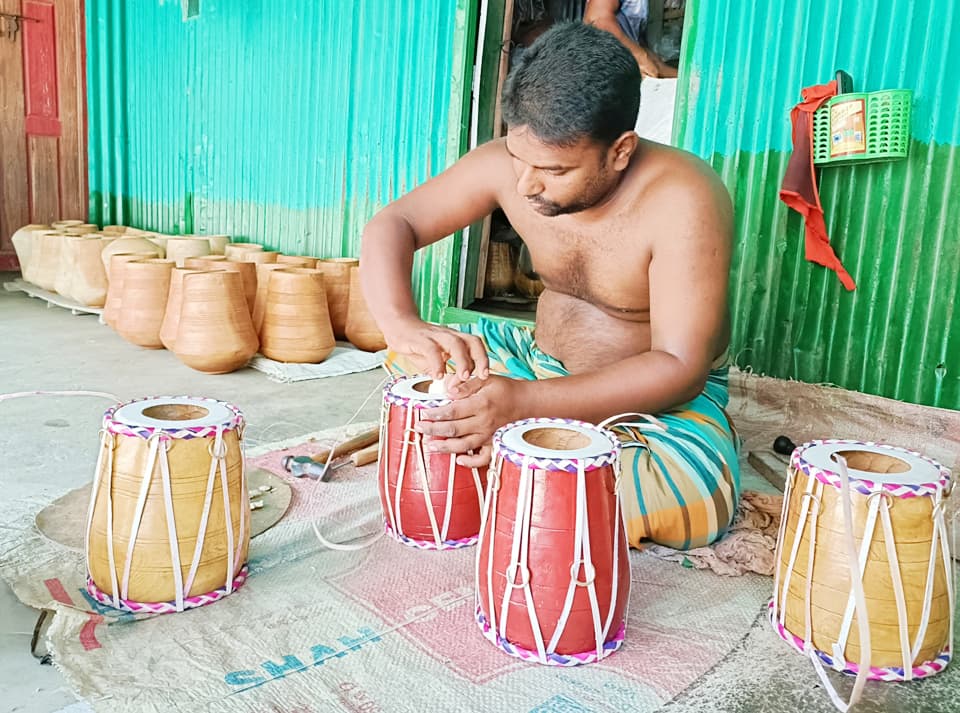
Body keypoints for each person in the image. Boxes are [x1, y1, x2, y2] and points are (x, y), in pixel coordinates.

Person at [359, 21, 739, 551]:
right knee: (426, 364)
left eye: (555, 170)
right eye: (519, 158)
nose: (525, 184)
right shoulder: (514, 163)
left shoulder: (684, 197)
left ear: (621, 150)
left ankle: (501, 454)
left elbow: (679, 368)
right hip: (535, 362)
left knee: (690, 498)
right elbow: (392, 225)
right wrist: (403, 324)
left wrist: (523, 405)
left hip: (651, 406)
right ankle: (512, 455)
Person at [583, 0, 678, 79]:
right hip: (601, 76)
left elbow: (652, 63)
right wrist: (640, 57)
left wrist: (683, 77)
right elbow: (597, 19)